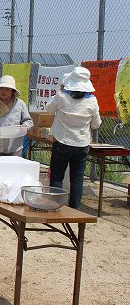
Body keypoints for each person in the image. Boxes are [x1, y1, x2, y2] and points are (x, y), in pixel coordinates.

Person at [47, 66, 101, 209]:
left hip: (62, 142)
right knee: (77, 179)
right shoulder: (92, 100)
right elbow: (96, 124)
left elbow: (49, 109)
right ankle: (74, 209)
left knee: (57, 176)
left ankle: (55, 206)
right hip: (82, 144)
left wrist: (60, 91)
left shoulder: (61, 96)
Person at [0, 75, 33, 156]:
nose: (3, 91)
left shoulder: (20, 104)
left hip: (15, 148)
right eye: (1, 88)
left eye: (7, 89)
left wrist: (24, 126)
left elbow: (29, 121)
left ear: (12, 91)